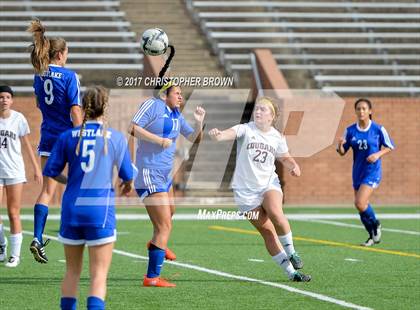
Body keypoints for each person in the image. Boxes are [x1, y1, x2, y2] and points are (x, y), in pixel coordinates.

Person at [43, 85, 135, 310]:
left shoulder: (67, 136)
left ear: (84, 107)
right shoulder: (115, 138)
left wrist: (70, 182)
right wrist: (127, 185)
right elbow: (128, 176)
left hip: (72, 208)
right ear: (106, 107)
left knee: (72, 273)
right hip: (99, 211)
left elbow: (51, 171)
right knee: (98, 276)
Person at [208, 96, 311, 282]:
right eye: (257, 108)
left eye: (263, 109)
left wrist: (293, 165)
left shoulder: (277, 136)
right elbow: (225, 135)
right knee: (268, 232)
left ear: (272, 116)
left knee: (275, 212)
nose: (258, 111)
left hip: (268, 184)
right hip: (245, 192)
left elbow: (285, 156)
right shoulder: (245, 129)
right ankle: (292, 273)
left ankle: (293, 253)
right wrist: (217, 135)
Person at [129, 81, 205, 287]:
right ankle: (151, 277)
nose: (181, 97)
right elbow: (132, 127)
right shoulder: (153, 105)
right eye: (177, 93)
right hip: (150, 174)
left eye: (181, 93)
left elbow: (194, 138)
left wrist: (199, 123)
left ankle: (155, 243)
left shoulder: (176, 115)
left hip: (165, 176)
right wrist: (158, 140)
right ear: (165, 95)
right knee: (165, 226)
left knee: (170, 213)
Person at [27, 19, 83, 263]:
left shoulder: (38, 76)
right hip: (68, 136)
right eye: (67, 52)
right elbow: (75, 110)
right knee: (80, 182)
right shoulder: (70, 76)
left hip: (48, 135)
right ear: (60, 54)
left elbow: (40, 104)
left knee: (48, 190)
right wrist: (82, 134)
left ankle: (37, 237)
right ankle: (78, 233)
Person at [337, 98, 394, 246]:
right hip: (358, 171)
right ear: (355, 111)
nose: (361, 111)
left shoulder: (378, 129)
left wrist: (377, 155)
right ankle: (371, 235)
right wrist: (340, 147)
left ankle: (376, 224)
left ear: (370, 111)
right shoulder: (350, 130)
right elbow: (343, 152)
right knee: (360, 205)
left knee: (360, 202)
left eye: (364, 108)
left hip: (372, 171)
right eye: (358, 109)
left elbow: (389, 146)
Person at [0, 85, 42, 267]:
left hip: (15, 171)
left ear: (12, 100)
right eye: (1, 97)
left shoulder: (18, 119)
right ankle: (2, 245)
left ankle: (15, 255)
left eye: (7, 97)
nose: (4, 100)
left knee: (13, 212)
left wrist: (36, 168)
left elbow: (27, 145)